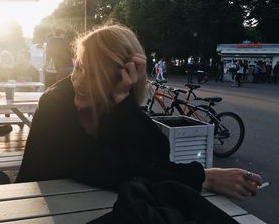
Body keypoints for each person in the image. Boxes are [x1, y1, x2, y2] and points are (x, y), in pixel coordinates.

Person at [16, 25, 262, 204]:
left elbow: (155, 155)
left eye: (95, 74)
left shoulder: (115, 102)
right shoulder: (54, 102)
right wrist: (203, 178)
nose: (80, 81)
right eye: (80, 67)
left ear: (121, 80)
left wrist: (123, 100)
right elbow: (105, 169)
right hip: (32, 208)